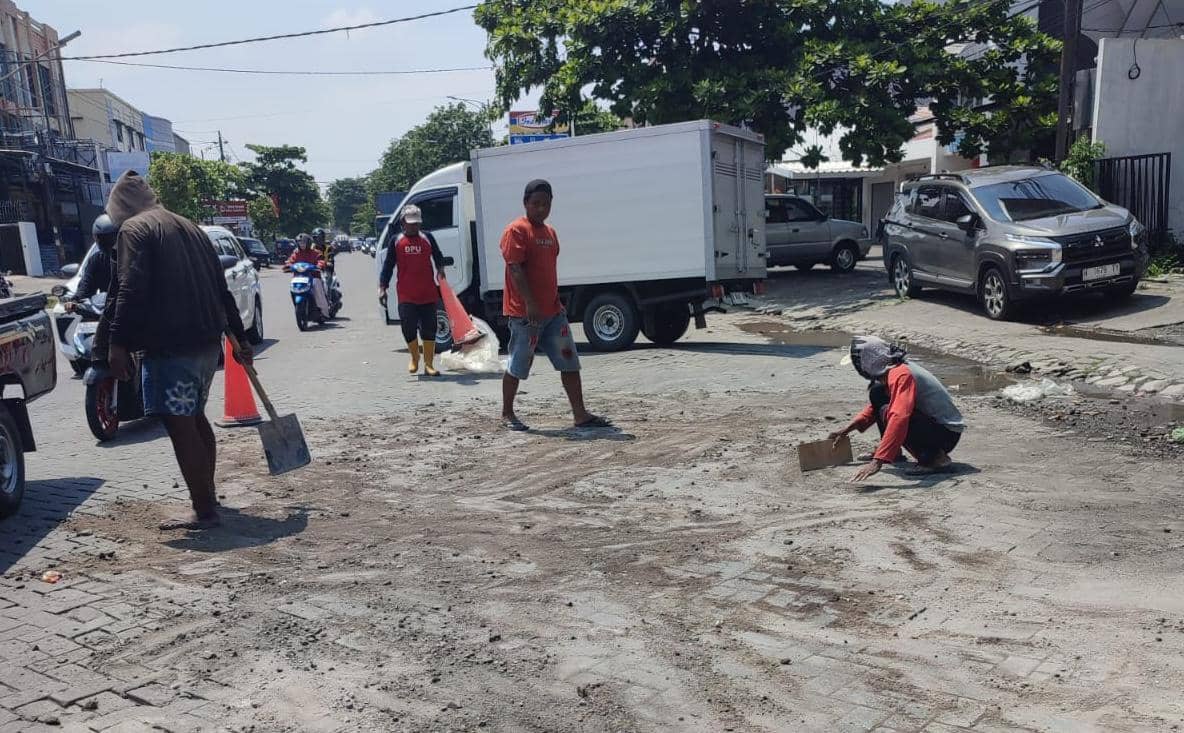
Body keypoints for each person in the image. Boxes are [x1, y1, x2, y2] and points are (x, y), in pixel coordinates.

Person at [97, 171, 253, 531]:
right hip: (205, 344)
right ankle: (208, 497)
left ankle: (204, 510)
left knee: (180, 425)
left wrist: (117, 343)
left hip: (171, 346)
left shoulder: (134, 230)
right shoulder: (191, 227)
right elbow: (222, 289)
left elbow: (129, 289)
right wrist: (239, 337)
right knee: (195, 418)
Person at [499, 179, 610, 431]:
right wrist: (530, 303)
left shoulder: (550, 233)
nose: (541, 208)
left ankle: (580, 414)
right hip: (525, 315)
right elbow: (515, 269)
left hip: (552, 313)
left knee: (569, 361)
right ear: (525, 203)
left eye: (546, 204)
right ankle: (507, 413)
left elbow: (548, 271)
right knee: (519, 363)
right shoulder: (516, 230)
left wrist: (555, 302)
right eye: (536, 203)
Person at [829, 335, 965, 482]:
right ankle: (894, 453)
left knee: (890, 411)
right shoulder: (894, 369)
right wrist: (847, 429)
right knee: (877, 393)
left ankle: (936, 458)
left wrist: (878, 460)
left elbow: (899, 415)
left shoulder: (901, 373)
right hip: (935, 427)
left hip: (945, 434)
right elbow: (875, 408)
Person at [378, 205, 447, 376]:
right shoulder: (396, 241)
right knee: (408, 328)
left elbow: (438, 256)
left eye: (417, 223)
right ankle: (415, 357)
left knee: (430, 329)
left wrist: (440, 269)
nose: (414, 226)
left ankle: (429, 364)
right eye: (411, 223)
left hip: (428, 293)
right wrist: (382, 287)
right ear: (403, 222)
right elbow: (388, 266)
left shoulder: (428, 238)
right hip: (406, 295)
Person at [67, 214, 117, 308]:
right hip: (107, 308)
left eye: (110, 238)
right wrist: (75, 300)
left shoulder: (132, 257)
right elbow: (87, 284)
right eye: (102, 239)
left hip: (131, 307)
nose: (107, 242)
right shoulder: (97, 260)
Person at [286, 233, 331, 318]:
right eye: (300, 243)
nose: (302, 244)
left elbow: (320, 260)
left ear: (308, 243)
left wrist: (319, 265)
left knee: (316, 285)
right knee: (292, 286)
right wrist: (288, 266)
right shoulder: (296, 253)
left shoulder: (315, 252)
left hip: (313, 277)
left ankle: (323, 310)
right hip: (299, 277)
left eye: (303, 242)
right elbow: (290, 261)